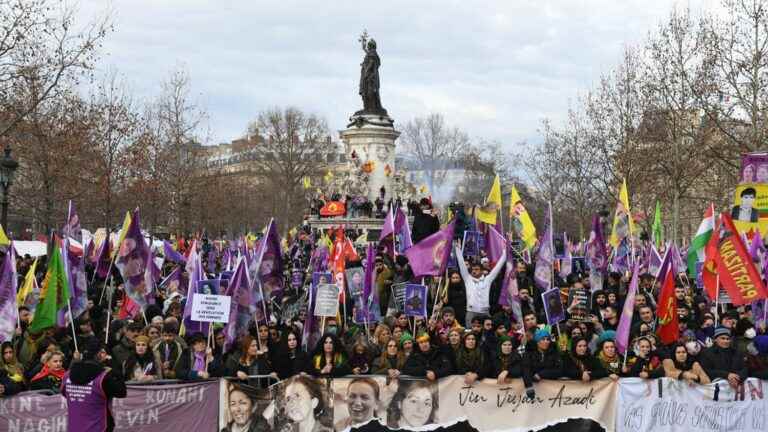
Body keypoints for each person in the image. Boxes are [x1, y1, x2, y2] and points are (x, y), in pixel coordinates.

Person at [62, 340, 126, 432]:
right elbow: (122, 392)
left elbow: (65, 393)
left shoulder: (67, 375)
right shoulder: (103, 377)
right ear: (99, 354)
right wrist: (115, 371)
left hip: (75, 427)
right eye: (102, 352)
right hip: (100, 427)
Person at [455, 243, 507, 326]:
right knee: (470, 335)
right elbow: (462, 265)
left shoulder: (487, 280)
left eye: (477, 269)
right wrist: (458, 250)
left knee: (487, 334)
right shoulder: (467, 279)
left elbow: (498, 268)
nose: (474, 271)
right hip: (471, 312)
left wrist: (505, 253)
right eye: (472, 269)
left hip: (485, 313)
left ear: (482, 271)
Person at [522, 329, 562, 398]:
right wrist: (529, 387)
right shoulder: (529, 353)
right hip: (535, 391)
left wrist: (541, 374)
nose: (546, 342)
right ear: (537, 342)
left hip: (553, 391)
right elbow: (526, 369)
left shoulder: (554, 352)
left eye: (548, 339)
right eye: (543, 339)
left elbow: (559, 370)